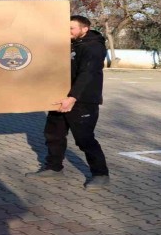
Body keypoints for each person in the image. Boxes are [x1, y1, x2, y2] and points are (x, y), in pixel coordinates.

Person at [27, 15, 110, 190]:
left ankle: (100, 174)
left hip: (82, 100)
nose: (67, 31)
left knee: (84, 139)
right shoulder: (70, 44)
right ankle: (54, 168)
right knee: (53, 135)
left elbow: (87, 74)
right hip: (60, 98)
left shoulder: (93, 47)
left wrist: (72, 98)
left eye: (71, 28)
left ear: (85, 28)